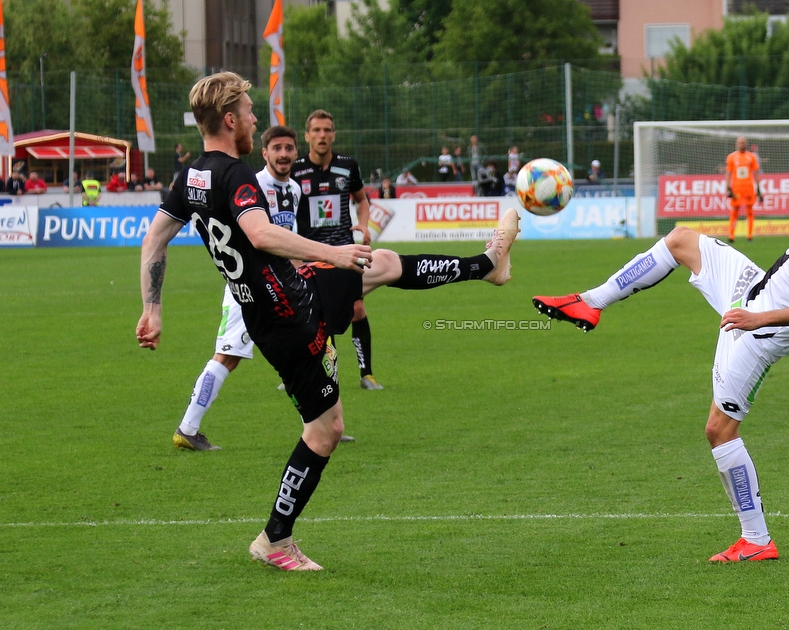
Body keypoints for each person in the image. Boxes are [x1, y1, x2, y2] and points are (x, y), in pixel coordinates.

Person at [137, 72, 520, 570]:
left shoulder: (191, 177)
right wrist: (332, 253)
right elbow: (261, 234)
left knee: (377, 261)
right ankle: (274, 539)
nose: (256, 117)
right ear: (230, 120)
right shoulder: (236, 175)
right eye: (250, 111)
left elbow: (154, 239)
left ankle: (487, 265)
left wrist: (152, 308)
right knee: (325, 430)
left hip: (285, 294)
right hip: (286, 318)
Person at [532, 136, 789, 563]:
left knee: (719, 429)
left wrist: (766, 317)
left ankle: (757, 540)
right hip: (754, 289)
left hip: (760, 330)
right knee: (681, 240)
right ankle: (591, 302)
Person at [171, 124, 352, 450]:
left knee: (304, 346)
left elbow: (287, 236)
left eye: (288, 148)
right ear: (264, 153)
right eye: (276, 149)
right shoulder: (249, 183)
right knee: (227, 355)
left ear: (296, 153)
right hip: (250, 285)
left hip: (280, 283)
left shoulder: (295, 190)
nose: (283, 155)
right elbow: (255, 235)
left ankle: (322, 421)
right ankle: (187, 427)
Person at [292, 110, 383, 390]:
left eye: (327, 130)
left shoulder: (348, 165)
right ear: (307, 136)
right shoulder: (295, 169)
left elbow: (361, 199)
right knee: (307, 315)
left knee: (357, 308)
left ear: (333, 134)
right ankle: (299, 371)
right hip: (310, 252)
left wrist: (364, 225)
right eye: (317, 130)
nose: (322, 135)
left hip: (344, 251)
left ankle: (366, 374)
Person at [726, 136, 762, 243]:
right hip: (736, 188)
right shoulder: (731, 157)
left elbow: (755, 173)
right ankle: (731, 235)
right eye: (740, 143)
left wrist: (759, 188)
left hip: (748, 188)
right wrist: (728, 187)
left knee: (750, 212)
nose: (742, 144)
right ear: (736, 144)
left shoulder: (751, 157)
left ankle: (750, 235)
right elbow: (728, 173)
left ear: (746, 144)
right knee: (734, 212)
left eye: (743, 142)